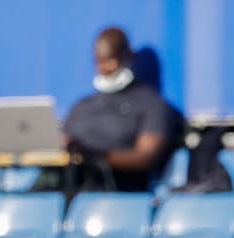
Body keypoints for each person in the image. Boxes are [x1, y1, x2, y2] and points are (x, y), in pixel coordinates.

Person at [64, 27, 184, 192]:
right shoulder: (81, 106)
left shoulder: (153, 105)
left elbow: (145, 158)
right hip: (70, 186)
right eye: (99, 61)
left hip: (119, 191)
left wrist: (97, 158)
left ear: (128, 56)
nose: (105, 68)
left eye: (111, 60)